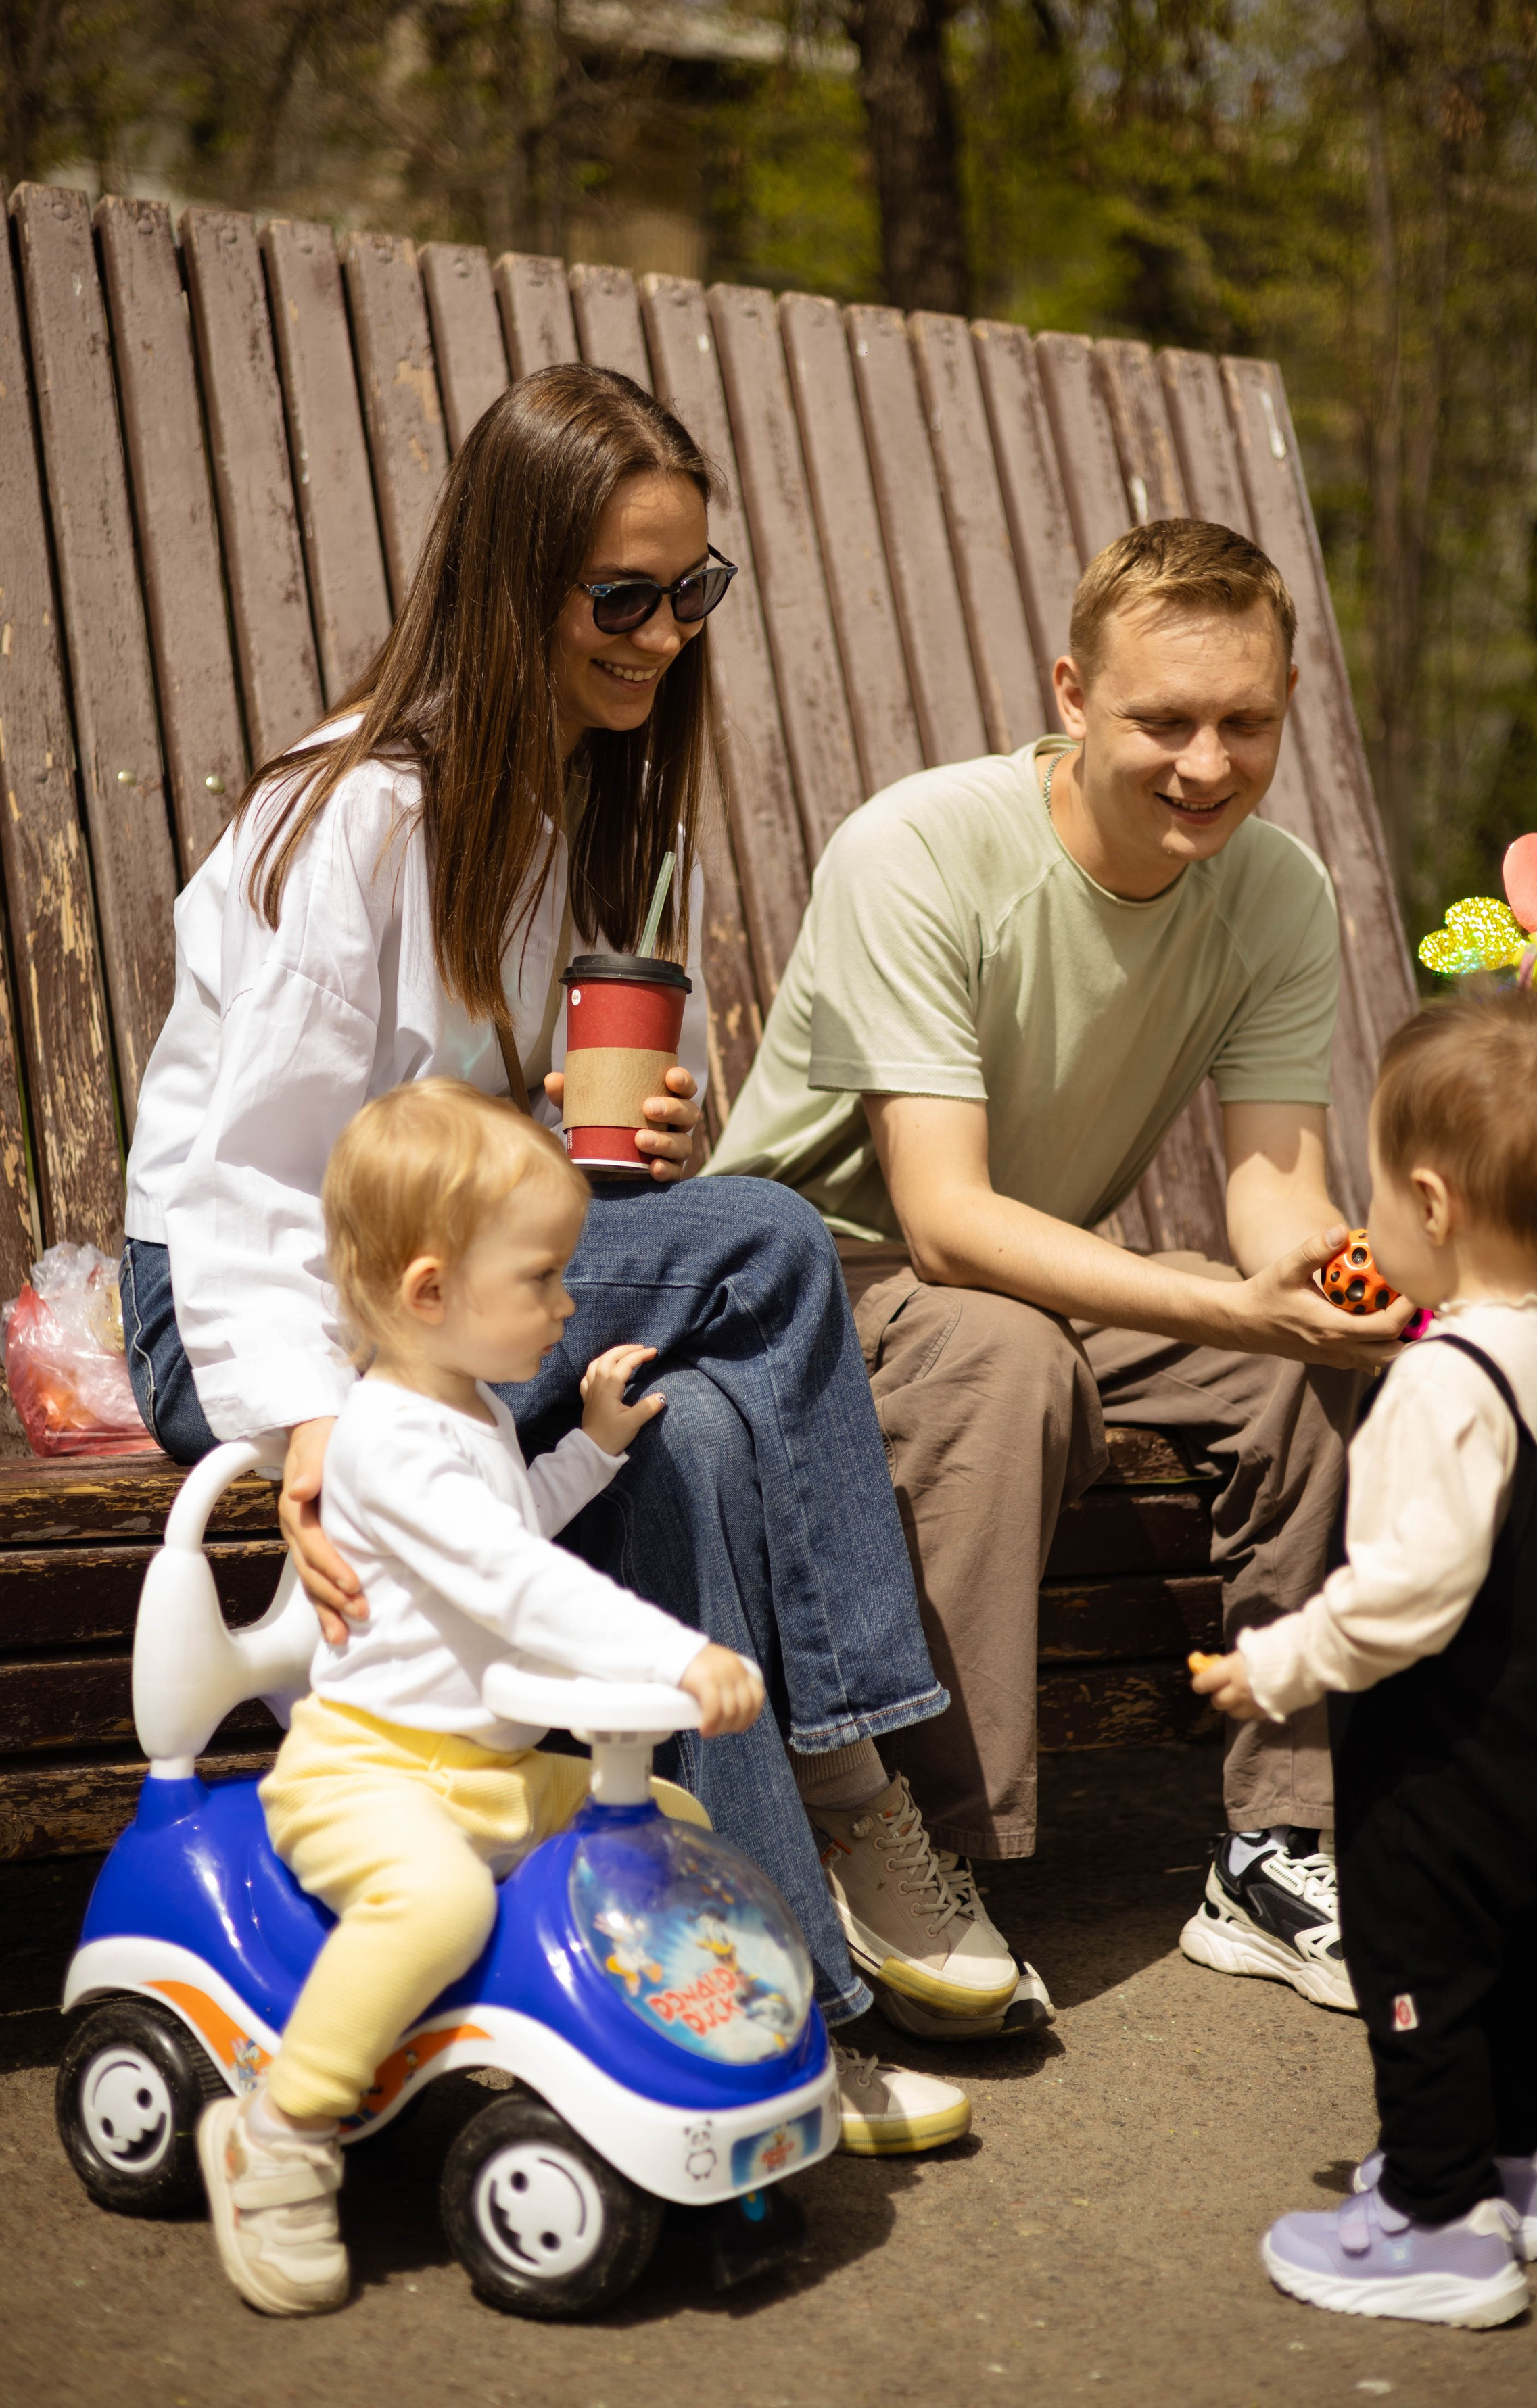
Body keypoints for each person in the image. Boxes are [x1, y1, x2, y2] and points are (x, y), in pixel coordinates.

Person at [121, 363, 985, 2154]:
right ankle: (845, 1757)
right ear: (513, 583)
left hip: (436, 1287)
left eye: (692, 592)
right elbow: (251, 1181)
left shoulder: (553, 804)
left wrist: (604, 1154)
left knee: (697, 1434)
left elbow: (446, 1132)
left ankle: (789, 2002)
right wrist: (307, 1428)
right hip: (261, 1312)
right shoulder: (351, 814)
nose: (665, 635)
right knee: (761, 1237)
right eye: (622, 596)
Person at [707, 516, 1405, 2029]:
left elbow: (1276, 1193)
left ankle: (1279, 1846)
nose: (1205, 766)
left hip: (1028, 1272)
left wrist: (1371, 1298)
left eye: (1244, 724)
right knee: (1004, 1356)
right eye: (1162, 720)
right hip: (803, 1277)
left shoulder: (1276, 892)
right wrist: (1229, 1296)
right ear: (1072, 694)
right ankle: (907, 1860)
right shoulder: (922, 848)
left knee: (1319, 1365)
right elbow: (942, 1219)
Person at [199, 1080, 765, 2316]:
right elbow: (513, 1582)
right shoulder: (385, 1440)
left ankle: (655, 2063)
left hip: (491, 1771)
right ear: (429, 1293)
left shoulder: (467, 1413)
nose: (567, 1305)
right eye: (543, 1281)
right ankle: (281, 2129)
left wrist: (592, 1449)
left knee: (668, 1822)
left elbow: (511, 1531)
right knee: (437, 1901)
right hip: (372, 1772)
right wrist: (676, 1655)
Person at [1193, 990, 1537, 2328]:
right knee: (1510, 1963)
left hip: (1440, 1776)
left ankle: (1432, 2222)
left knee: (1412, 1983)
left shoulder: (1438, 1382)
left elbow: (1402, 1592)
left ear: (1429, 1201)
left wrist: (1276, 1665)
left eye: (1373, 1195)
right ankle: (1528, 2170)